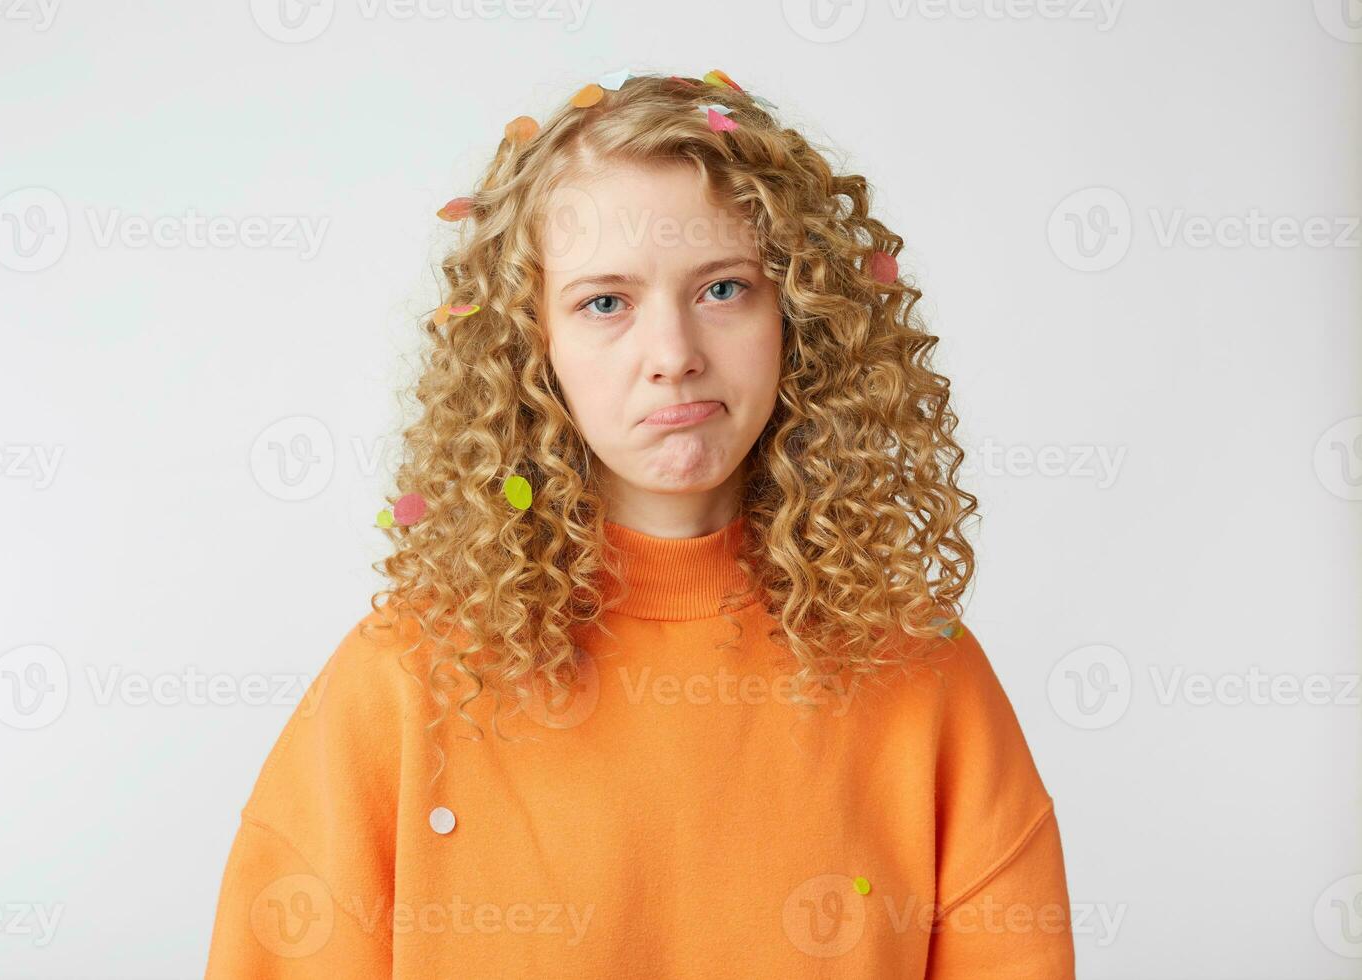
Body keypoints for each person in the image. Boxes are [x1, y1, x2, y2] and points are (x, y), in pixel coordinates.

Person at [203, 69, 1075, 978]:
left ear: (803, 318)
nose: (673, 357)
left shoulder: (924, 674)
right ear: (531, 348)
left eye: (724, 290)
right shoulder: (406, 684)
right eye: (606, 303)